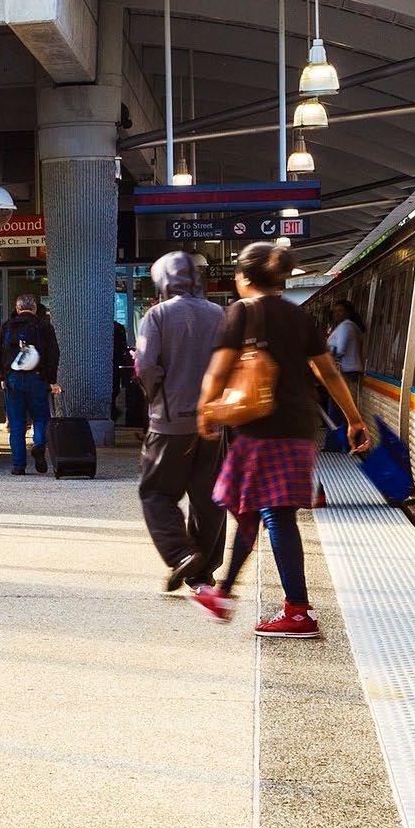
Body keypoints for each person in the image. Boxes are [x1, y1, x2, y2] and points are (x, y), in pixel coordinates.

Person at [193, 243, 369, 637]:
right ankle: (223, 593)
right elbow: (328, 372)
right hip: (299, 428)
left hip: (262, 430)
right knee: (254, 509)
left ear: (244, 277)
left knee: (275, 513)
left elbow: (218, 371)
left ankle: (298, 612)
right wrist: (353, 418)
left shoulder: (242, 312)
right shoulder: (298, 316)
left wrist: (205, 410)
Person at [135, 252, 227, 592]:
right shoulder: (219, 314)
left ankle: (181, 554)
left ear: (163, 281)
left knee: (156, 492)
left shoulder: (157, 315)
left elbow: (146, 366)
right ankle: (203, 571)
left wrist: (156, 397)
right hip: (213, 422)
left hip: (170, 421)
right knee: (209, 497)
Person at [0, 293, 60, 475]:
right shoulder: (44, 326)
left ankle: (18, 466)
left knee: (16, 423)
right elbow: (54, 354)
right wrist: (51, 379)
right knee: (41, 417)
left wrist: (1, 377)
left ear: (17, 308)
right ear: (35, 308)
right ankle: (38, 444)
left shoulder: (7, 326)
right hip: (37, 378)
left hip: (13, 379)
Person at [327, 298, 366, 409]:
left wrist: (325, 351)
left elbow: (340, 349)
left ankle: (336, 421)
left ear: (348, 312)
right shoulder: (352, 326)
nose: (337, 314)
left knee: (336, 403)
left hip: (344, 370)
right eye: (335, 311)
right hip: (350, 369)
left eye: (340, 311)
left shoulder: (345, 326)